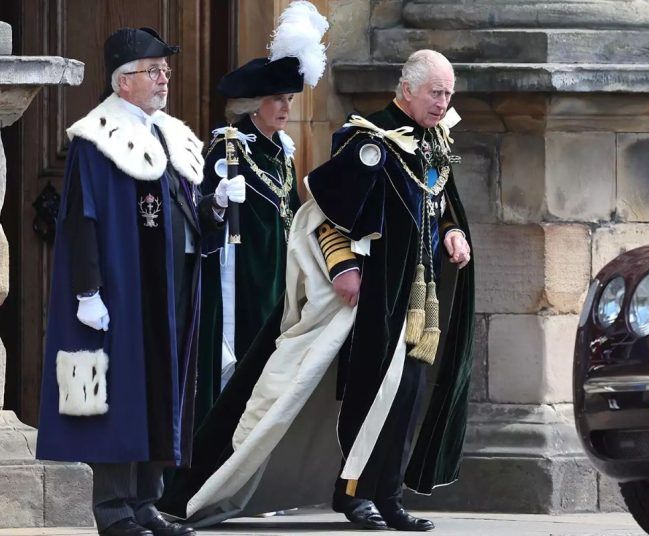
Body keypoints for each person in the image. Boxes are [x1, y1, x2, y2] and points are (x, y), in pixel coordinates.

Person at [163, 49, 474, 533]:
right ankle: (353, 495)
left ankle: (388, 496)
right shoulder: (369, 139)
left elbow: (439, 205)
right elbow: (325, 213)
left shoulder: (434, 140)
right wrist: (343, 267)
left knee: (407, 397)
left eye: (448, 94)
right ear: (408, 89)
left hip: (418, 296)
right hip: (371, 297)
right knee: (370, 395)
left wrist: (453, 233)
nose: (443, 103)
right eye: (436, 92)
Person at [35, 27, 245, 536]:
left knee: (162, 389)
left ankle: (148, 501)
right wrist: (87, 292)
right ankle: (114, 510)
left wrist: (215, 205)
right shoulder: (96, 138)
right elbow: (81, 218)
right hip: (124, 289)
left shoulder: (168, 134)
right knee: (121, 394)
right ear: (123, 81)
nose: (164, 79)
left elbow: (184, 215)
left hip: (172, 286)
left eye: (165, 70)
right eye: (154, 71)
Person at [195, 0, 327, 422]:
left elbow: (293, 211)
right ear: (253, 103)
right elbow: (203, 218)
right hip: (244, 278)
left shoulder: (281, 151)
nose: (286, 108)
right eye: (276, 99)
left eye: (288, 99)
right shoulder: (229, 149)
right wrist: (218, 203)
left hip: (278, 276)